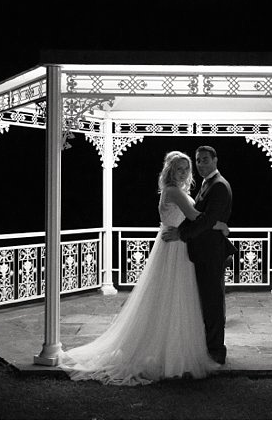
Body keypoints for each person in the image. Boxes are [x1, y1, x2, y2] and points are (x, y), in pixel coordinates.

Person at [58, 151, 229, 386]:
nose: (185, 172)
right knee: (172, 298)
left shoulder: (176, 190)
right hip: (174, 247)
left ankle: (172, 347)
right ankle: (169, 352)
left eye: (186, 168)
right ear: (170, 170)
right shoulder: (173, 191)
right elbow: (195, 215)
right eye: (180, 168)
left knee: (174, 299)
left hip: (177, 245)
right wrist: (221, 225)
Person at [161, 146, 236, 365]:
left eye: (205, 160)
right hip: (193, 249)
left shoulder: (219, 185)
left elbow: (206, 218)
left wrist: (184, 232)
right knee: (203, 300)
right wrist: (221, 225)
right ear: (170, 171)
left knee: (212, 302)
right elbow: (202, 218)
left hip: (210, 253)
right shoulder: (204, 184)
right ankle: (202, 345)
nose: (201, 164)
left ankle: (215, 351)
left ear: (215, 160)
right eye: (198, 161)